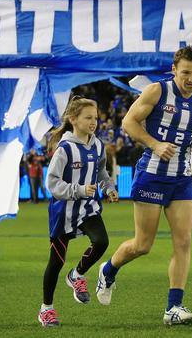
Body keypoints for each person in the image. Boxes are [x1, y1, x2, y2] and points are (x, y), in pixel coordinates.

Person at [95, 45, 192, 325]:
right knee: (142, 245)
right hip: (151, 174)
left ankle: (174, 308)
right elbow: (129, 122)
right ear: (174, 70)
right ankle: (108, 271)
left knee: (183, 241)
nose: (191, 78)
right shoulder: (157, 91)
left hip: (181, 178)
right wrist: (155, 144)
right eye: (186, 72)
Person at [37, 97, 119, 328]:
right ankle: (47, 309)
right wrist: (79, 189)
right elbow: (52, 183)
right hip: (63, 212)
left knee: (101, 241)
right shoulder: (64, 149)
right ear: (73, 119)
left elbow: (101, 171)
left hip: (88, 208)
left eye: (96, 117)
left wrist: (109, 187)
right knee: (56, 262)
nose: (94, 122)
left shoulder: (98, 145)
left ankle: (77, 274)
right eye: (88, 117)